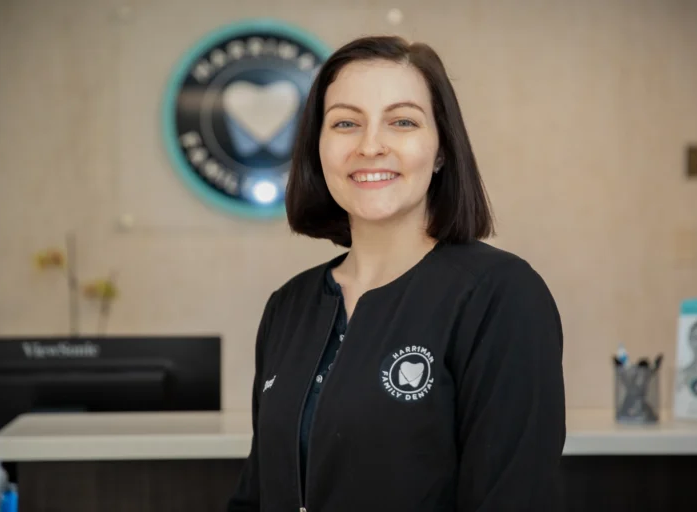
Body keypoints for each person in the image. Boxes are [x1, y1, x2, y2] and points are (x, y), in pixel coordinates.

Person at [227, 35, 566, 512]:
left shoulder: (500, 296)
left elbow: (514, 498)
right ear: (317, 149)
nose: (371, 146)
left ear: (442, 149)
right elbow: (258, 493)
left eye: (402, 121)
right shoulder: (289, 305)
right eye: (346, 123)